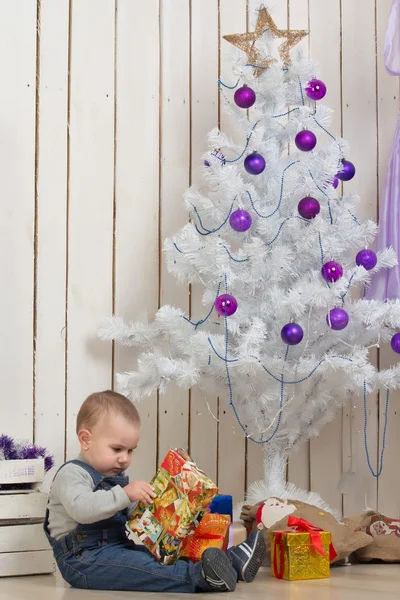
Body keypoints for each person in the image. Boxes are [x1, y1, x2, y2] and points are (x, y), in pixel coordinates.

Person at [44, 390, 266, 593]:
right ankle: (202, 577)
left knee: (156, 560)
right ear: (86, 439)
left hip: (115, 548)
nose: (124, 458)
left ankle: (233, 563)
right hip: (83, 560)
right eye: (117, 449)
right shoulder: (72, 474)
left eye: (130, 450)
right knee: (143, 569)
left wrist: (171, 507)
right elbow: (81, 509)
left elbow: (135, 516)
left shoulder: (112, 478)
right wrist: (126, 494)